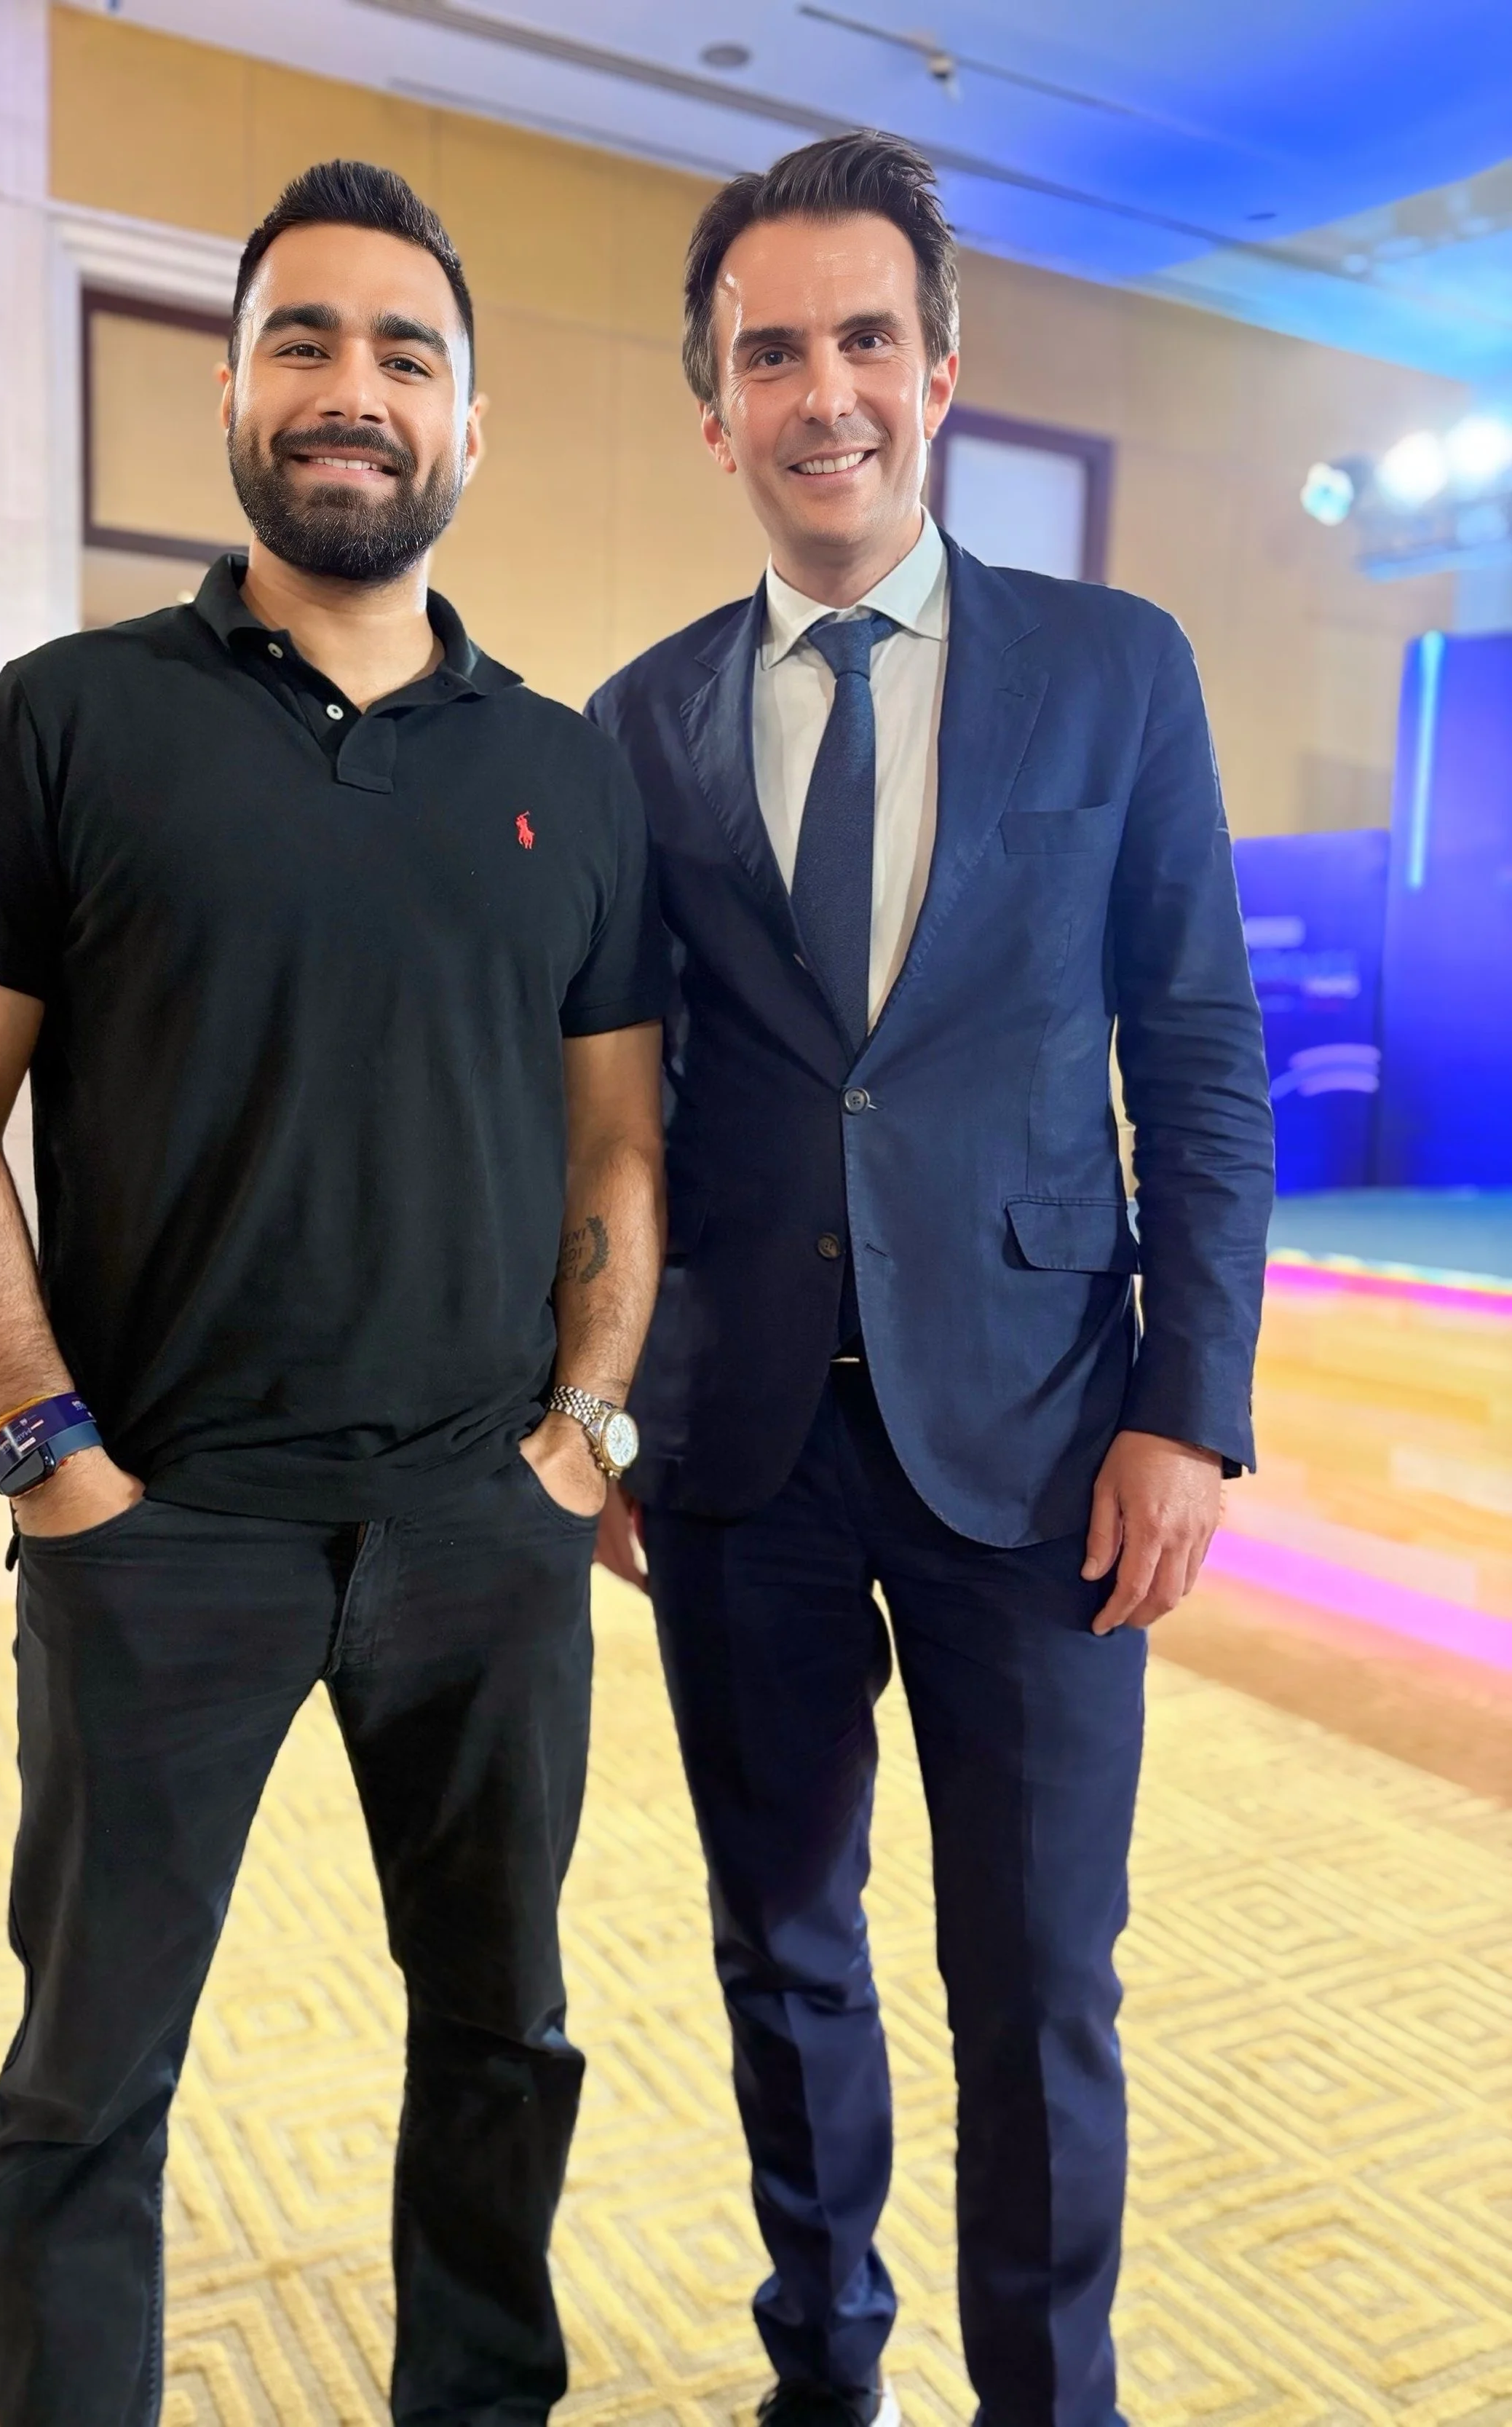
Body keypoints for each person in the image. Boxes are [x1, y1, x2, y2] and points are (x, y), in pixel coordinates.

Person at [0, 159, 666, 2427]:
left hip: (480, 1537)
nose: (352, 389)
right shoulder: (66, 721)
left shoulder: (560, 772)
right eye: (304, 341)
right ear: (226, 391)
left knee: (501, 2035)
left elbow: (616, 1141)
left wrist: (578, 1433)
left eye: (404, 351)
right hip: (162, 1530)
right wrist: (51, 1464)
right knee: (85, 2077)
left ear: (469, 428)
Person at [588, 131, 1273, 2427]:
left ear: (940, 366)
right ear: (711, 408)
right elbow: (607, 1107)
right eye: (767, 352)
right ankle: (826, 2374)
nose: (822, 392)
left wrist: (1189, 1404)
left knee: (1034, 1981)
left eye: (861, 337)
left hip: (1051, 1431)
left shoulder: (1113, 670)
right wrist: (594, 1397)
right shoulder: (640, 719)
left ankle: (1040, 2400)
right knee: (784, 1954)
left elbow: (1193, 1052)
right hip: (738, 1444)